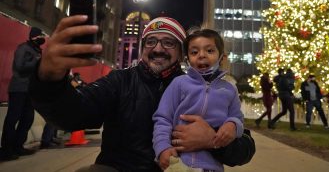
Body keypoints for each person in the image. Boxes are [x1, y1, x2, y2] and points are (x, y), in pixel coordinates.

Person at [29, 16, 255, 171]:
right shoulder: (120, 81)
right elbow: (72, 115)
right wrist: (49, 79)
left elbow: (246, 147)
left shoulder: (202, 88)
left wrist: (214, 140)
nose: (158, 49)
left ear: (181, 53)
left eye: (168, 43)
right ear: (142, 47)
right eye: (151, 42)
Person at [153, 29, 244, 171]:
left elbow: (237, 117)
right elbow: (163, 118)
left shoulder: (229, 90)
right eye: (194, 52)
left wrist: (232, 125)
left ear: (221, 57)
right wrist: (163, 147)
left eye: (209, 50)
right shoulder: (179, 83)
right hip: (178, 163)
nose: (202, 55)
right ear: (187, 59)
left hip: (212, 167)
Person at [0, 27, 45, 161]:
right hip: (19, 88)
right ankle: (6, 150)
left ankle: (18, 146)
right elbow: (20, 66)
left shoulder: (37, 51)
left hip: (30, 90)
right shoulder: (23, 48)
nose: (42, 39)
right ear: (33, 36)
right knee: (13, 118)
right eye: (40, 36)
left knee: (27, 119)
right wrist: (36, 61)